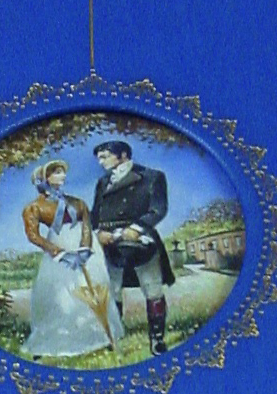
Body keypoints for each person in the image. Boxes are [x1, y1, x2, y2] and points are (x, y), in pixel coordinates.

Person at [20, 160, 124, 358]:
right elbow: (33, 235)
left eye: (63, 172)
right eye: (57, 172)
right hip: (59, 248)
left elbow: (86, 224)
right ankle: (55, 339)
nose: (63, 176)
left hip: (85, 247)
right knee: (60, 293)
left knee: (94, 286)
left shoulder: (77, 202)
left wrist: (85, 249)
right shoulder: (34, 207)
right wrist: (58, 252)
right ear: (46, 178)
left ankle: (101, 336)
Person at [91, 140, 175, 354]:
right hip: (110, 244)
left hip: (141, 240)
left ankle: (157, 339)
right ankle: (113, 337)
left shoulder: (152, 176)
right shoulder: (102, 182)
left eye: (105, 156)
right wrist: (98, 232)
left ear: (123, 155)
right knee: (112, 290)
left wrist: (136, 229)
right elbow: (95, 214)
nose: (101, 162)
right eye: (99, 158)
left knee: (152, 289)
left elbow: (158, 209)